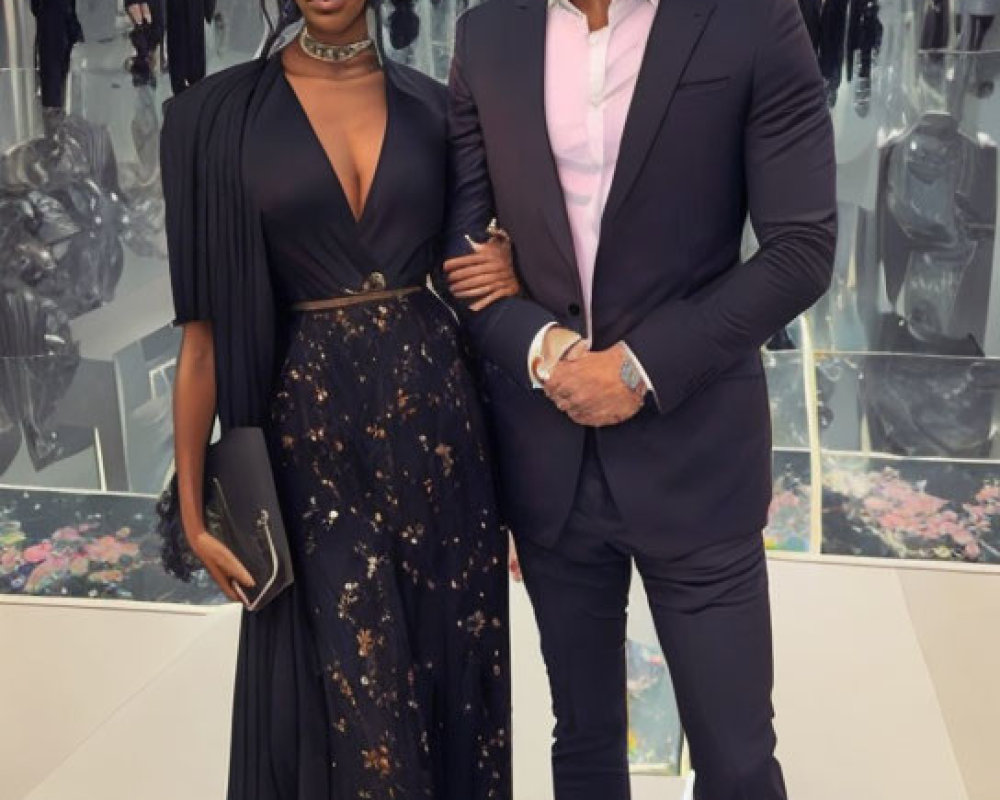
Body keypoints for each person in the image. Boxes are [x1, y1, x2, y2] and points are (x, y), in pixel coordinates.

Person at [443, 0, 837, 798]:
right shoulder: (489, 32)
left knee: (736, 757)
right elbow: (463, 247)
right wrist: (545, 347)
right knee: (584, 741)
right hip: (549, 461)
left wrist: (636, 368)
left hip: (697, 455)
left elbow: (801, 247)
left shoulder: (750, 20)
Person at [160, 0, 516, 796]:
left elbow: (479, 267)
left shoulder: (440, 106)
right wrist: (195, 514)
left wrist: (511, 266)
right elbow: (202, 340)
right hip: (312, 455)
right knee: (358, 707)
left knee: (449, 685)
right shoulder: (210, 120)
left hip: (444, 442)